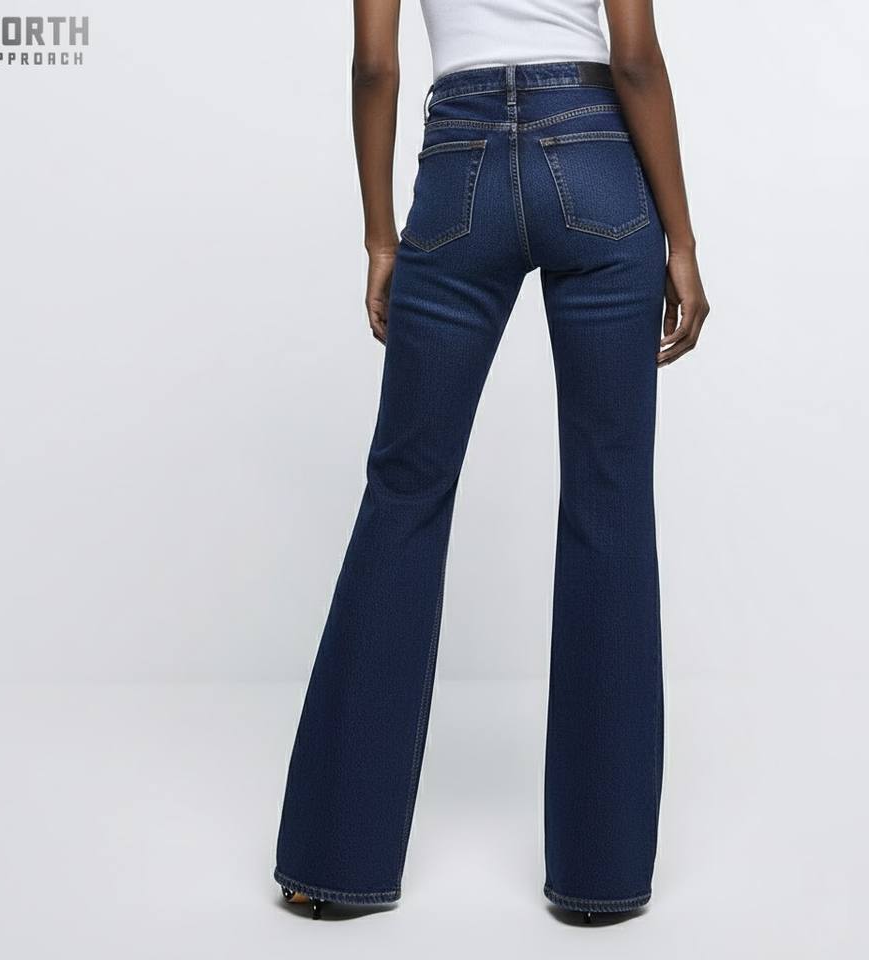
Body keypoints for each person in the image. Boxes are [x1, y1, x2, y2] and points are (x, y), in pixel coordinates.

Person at [274, 0, 710, 921]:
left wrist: (380, 237)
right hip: (597, 156)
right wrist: (682, 238)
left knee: (405, 494)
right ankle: (602, 880)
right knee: (609, 498)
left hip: (458, 162)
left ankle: (333, 864)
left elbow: (374, 66)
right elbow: (635, 58)